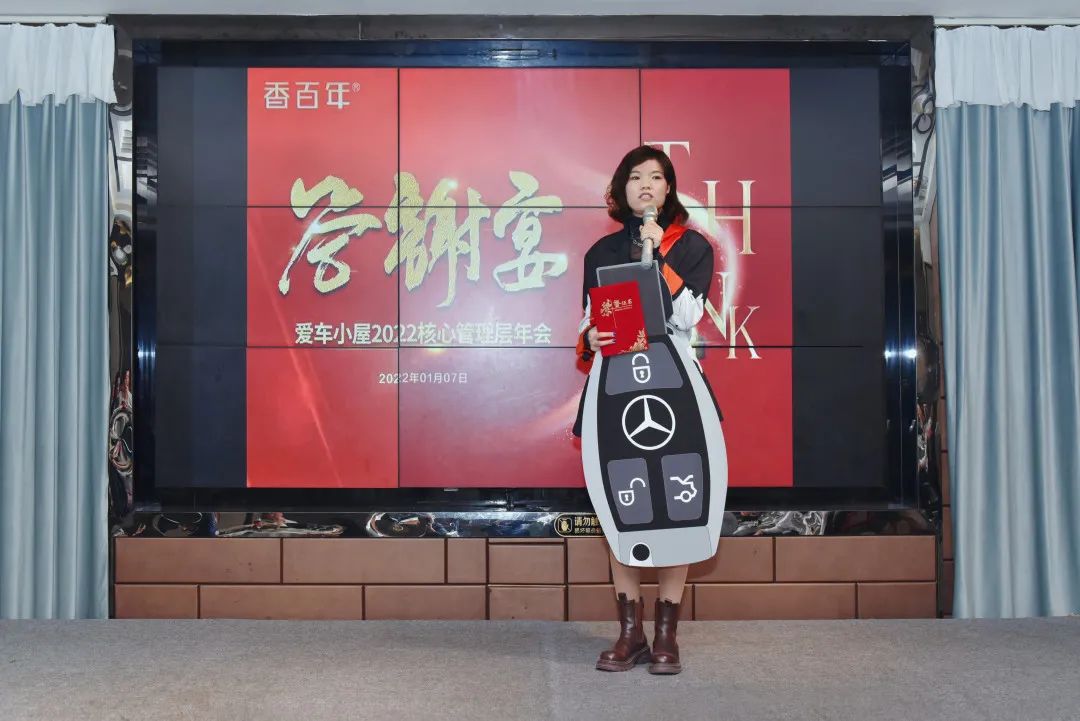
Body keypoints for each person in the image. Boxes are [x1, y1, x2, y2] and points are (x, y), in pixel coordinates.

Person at [573, 145, 715, 675]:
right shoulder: (602, 252)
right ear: (621, 189)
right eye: (636, 177)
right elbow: (592, 322)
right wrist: (591, 335)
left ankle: (665, 637)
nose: (646, 185)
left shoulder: (692, 246)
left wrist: (657, 258)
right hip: (618, 388)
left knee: (678, 502)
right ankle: (629, 634)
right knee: (623, 504)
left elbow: (688, 316)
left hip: (672, 389)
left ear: (668, 188)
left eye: (656, 176)